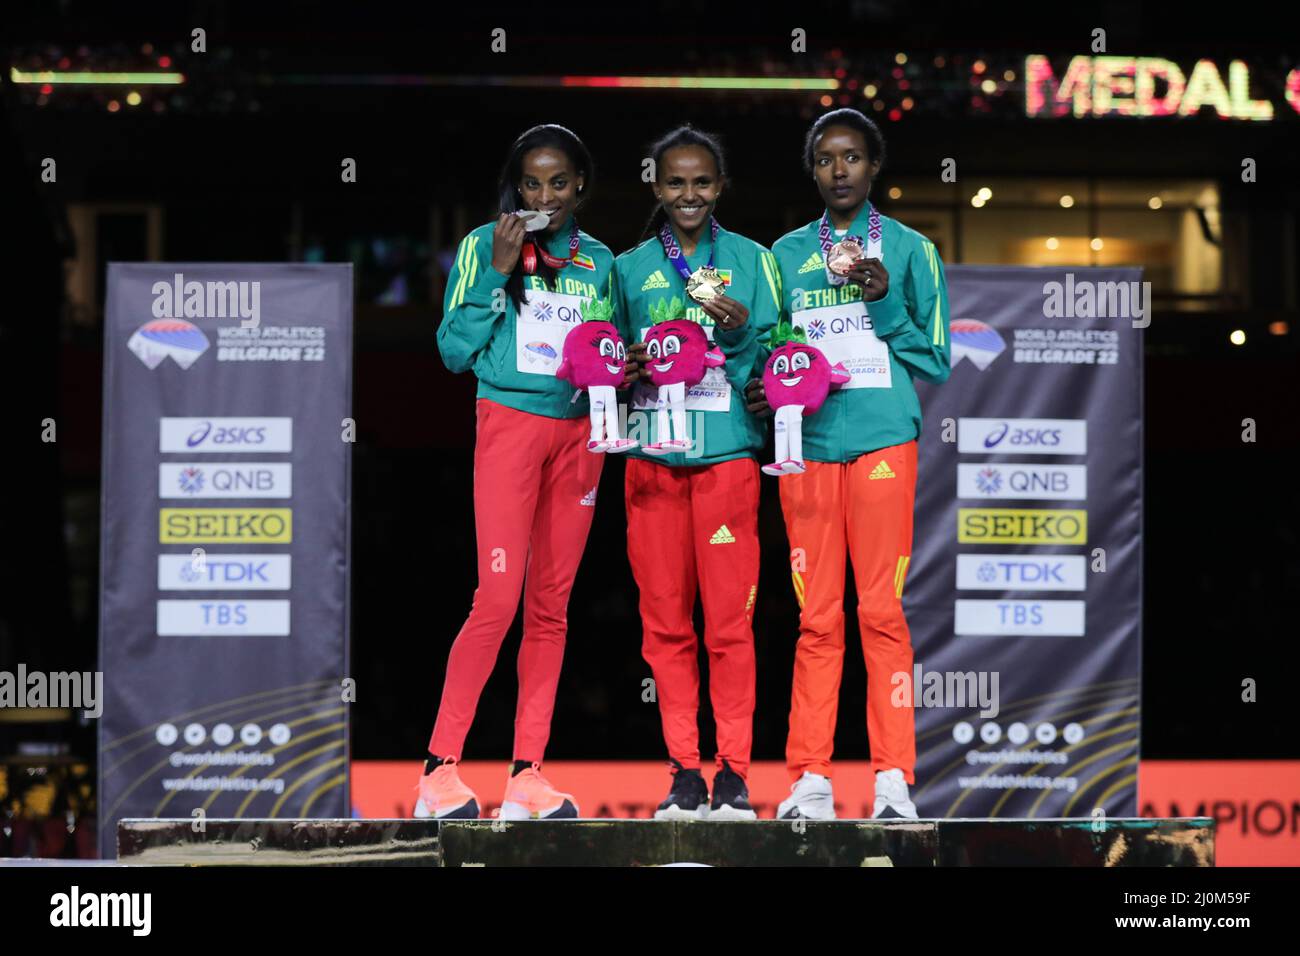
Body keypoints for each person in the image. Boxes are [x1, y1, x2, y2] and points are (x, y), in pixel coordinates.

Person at [748, 108, 951, 820]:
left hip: (883, 442)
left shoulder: (911, 251)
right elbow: (771, 350)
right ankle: (810, 775)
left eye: (853, 158)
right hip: (806, 446)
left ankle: (894, 776)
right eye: (827, 159)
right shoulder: (781, 256)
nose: (840, 170)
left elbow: (935, 357)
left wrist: (884, 304)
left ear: (874, 167)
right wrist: (760, 383)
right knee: (817, 617)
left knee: (882, 611)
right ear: (813, 169)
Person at [417, 124, 616, 820]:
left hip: (582, 435)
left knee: (551, 609)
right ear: (515, 185)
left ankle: (527, 773)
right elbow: (451, 350)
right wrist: (499, 273)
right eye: (532, 183)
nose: (545, 196)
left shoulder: (602, 262)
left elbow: (608, 355)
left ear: (580, 185)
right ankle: (439, 771)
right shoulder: (483, 245)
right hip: (509, 427)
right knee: (496, 600)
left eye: (559, 182)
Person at [613, 126, 780, 820]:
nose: (689, 194)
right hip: (652, 462)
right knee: (664, 627)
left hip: (727, 461)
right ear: (656, 187)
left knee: (729, 627)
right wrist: (623, 370)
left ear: (720, 187)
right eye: (675, 183)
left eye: (702, 182)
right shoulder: (626, 269)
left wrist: (744, 335)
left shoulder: (753, 260)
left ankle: (734, 773)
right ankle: (685, 769)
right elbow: (601, 360)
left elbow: (782, 352)